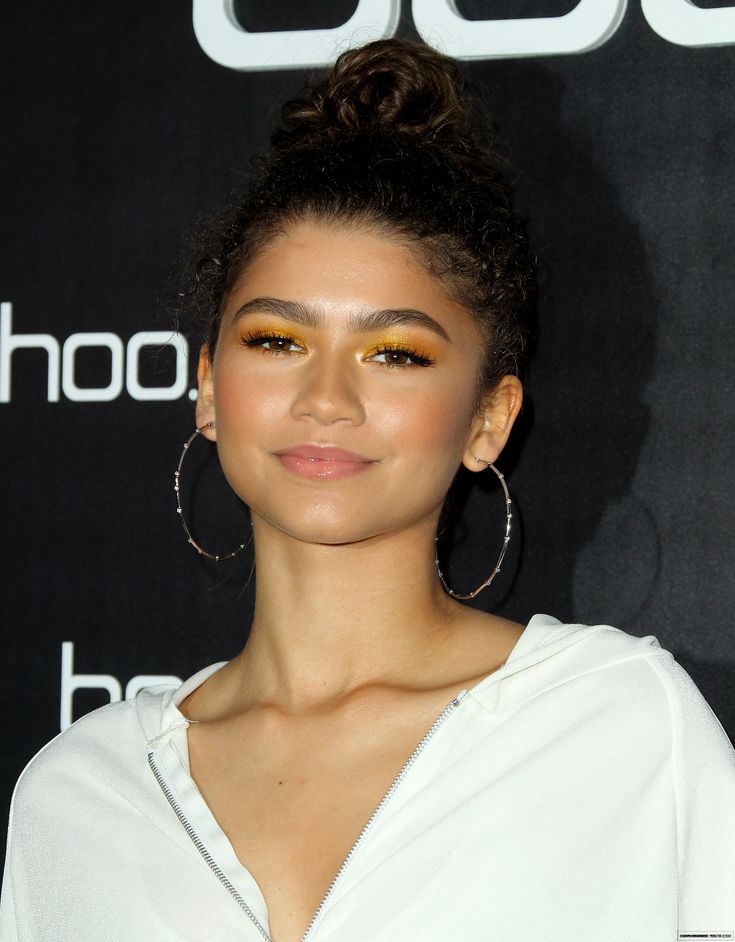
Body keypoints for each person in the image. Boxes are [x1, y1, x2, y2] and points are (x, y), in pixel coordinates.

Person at [2, 38, 734, 942]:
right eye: (276, 340)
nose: (324, 400)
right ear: (205, 389)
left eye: (395, 354)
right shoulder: (79, 792)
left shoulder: (615, 729)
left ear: (488, 420)